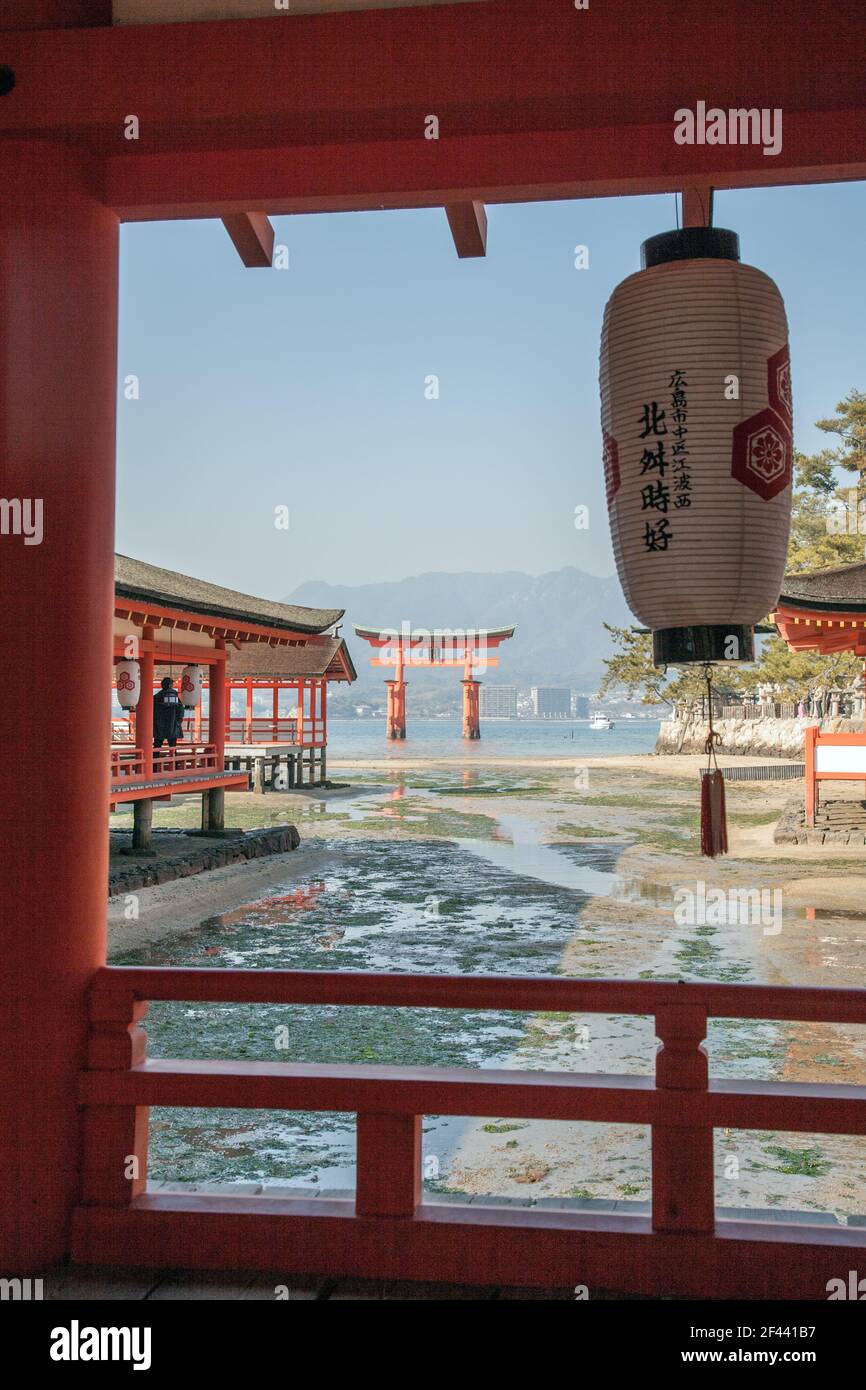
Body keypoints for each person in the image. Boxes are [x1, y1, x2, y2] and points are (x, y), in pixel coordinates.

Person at [153, 676, 185, 751]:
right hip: (173, 724)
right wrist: (178, 722)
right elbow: (181, 711)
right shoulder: (176, 697)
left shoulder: (156, 697)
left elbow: (151, 710)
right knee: (173, 746)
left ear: (162, 685)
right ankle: (174, 761)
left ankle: (154, 761)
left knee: (157, 745)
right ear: (170, 685)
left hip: (159, 724)